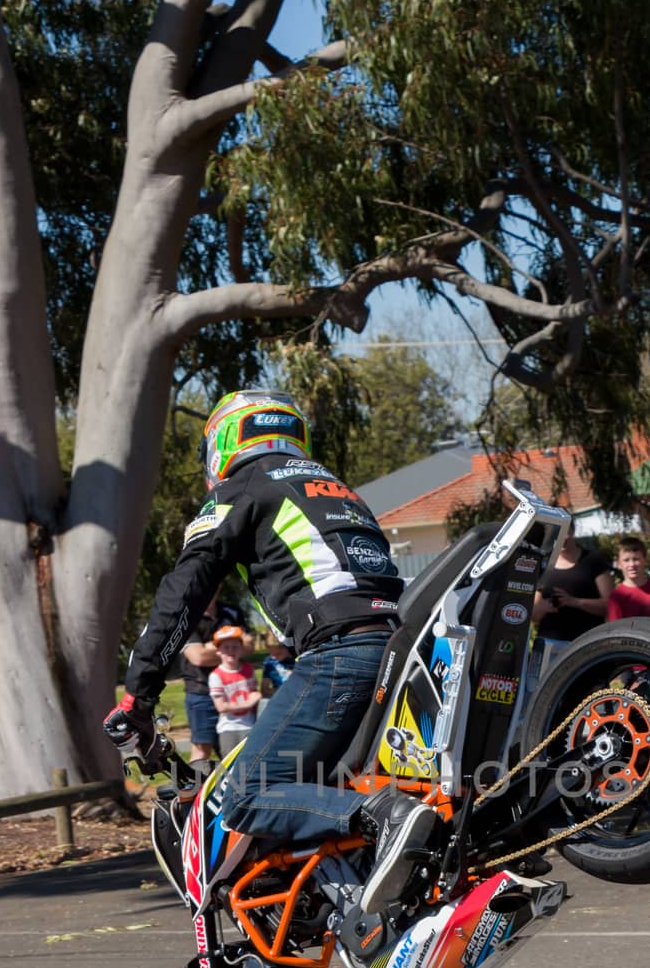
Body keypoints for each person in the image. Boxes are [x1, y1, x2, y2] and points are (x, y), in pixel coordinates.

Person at [104, 389, 438, 916]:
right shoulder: (332, 487)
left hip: (339, 654)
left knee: (246, 796)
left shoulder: (243, 488)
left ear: (223, 443)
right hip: (402, 645)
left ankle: (384, 816)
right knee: (322, 784)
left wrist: (138, 697)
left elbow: (182, 593)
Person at [180, 595, 245, 762]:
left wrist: (209, 646)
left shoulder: (232, 612)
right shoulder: (185, 615)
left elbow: (249, 645)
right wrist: (231, 645)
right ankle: (197, 787)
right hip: (201, 692)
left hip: (235, 690)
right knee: (202, 751)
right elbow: (198, 657)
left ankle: (237, 787)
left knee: (239, 749)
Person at [532, 531, 614, 641]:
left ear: (573, 532)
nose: (561, 538)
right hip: (549, 644)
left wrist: (575, 601)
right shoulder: (544, 563)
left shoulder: (593, 560)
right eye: (557, 533)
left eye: (565, 533)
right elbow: (534, 616)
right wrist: (544, 607)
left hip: (587, 642)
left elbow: (611, 606)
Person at [207, 625, 261, 757]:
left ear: (242, 649)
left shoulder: (249, 669)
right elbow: (221, 707)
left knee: (252, 762)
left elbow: (254, 695)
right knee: (231, 766)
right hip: (228, 729)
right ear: (218, 651)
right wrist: (248, 703)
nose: (231, 650)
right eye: (226, 647)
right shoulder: (216, 675)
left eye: (235, 646)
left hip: (250, 726)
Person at [607, 536, 650, 620]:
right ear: (619, 563)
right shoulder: (616, 597)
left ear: (645, 560)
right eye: (626, 560)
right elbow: (616, 630)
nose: (632, 564)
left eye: (636, 559)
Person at [260, 630, 295, 699]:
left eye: (278, 654)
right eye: (271, 653)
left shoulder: (296, 659)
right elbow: (264, 690)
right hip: (280, 698)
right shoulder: (270, 663)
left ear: (286, 647)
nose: (274, 657)